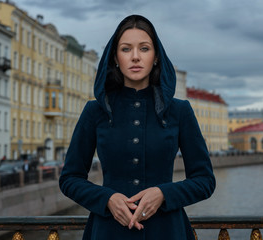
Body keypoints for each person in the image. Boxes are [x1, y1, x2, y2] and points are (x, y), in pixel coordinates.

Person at [59, 15, 215, 240]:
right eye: (125, 49)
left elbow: (205, 180)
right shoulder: (95, 111)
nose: (135, 57)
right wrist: (107, 199)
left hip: (168, 231)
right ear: (115, 57)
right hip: (108, 232)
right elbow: (70, 178)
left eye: (144, 48)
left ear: (156, 57)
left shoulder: (180, 111)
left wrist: (163, 194)